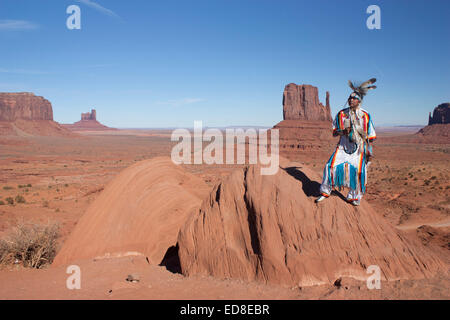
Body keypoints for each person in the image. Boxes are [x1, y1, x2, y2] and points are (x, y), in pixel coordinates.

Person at [315, 78, 377, 206]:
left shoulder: (365, 116)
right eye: (349, 98)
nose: (350, 100)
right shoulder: (341, 115)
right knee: (329, 166)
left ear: (359, 101)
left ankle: (354, 197)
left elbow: (370, 135)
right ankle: (325, 191)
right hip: (343, 147)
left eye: (353, 98)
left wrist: (369, 152)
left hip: (359, 149)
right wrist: (343, 131)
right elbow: (334, 132)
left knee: (359, 172)